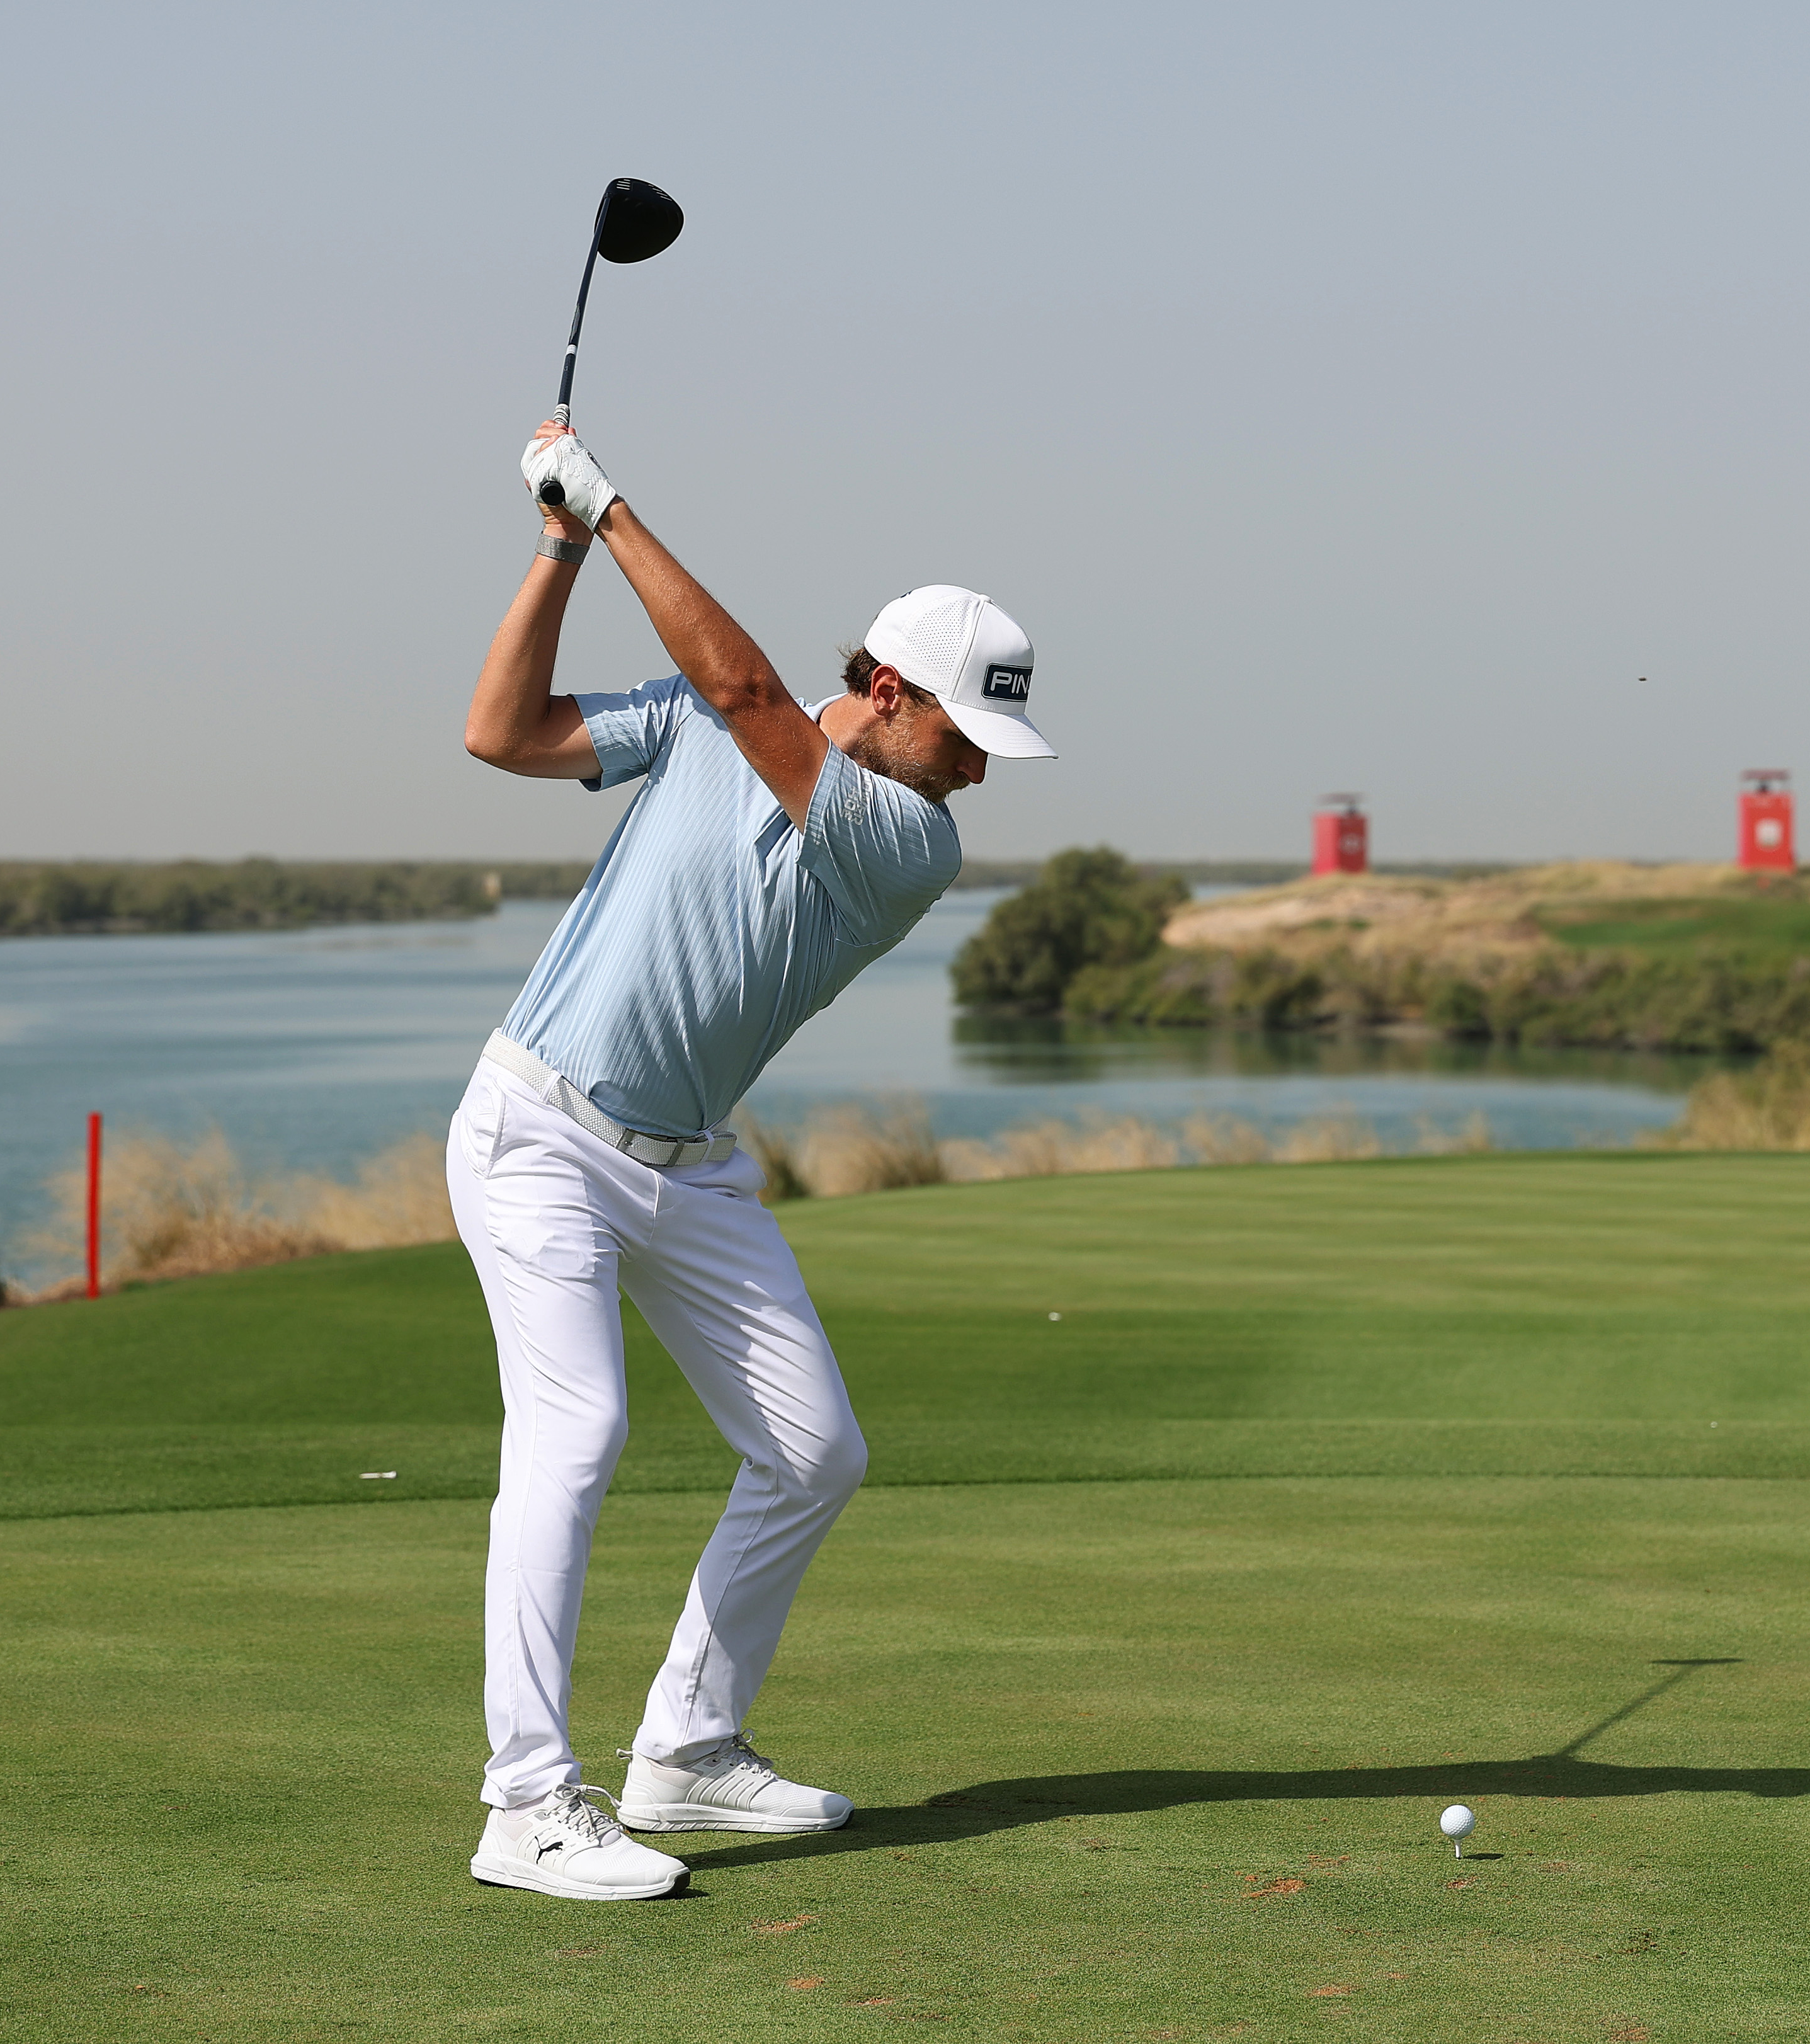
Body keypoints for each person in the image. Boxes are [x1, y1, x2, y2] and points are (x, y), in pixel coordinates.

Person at [446, 419, 1051, 1900]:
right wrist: (557, 547)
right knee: (575, 1435)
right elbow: (502, 734)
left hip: (690, 1169)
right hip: (538, 1132)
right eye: (966, 736)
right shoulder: (706, 727)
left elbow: (745, 685)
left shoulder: (909, 844)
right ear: (893, 691)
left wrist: (615, 504)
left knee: (813, 1449)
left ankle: (686, 1752)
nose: (977, 772)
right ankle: (525, 1803)